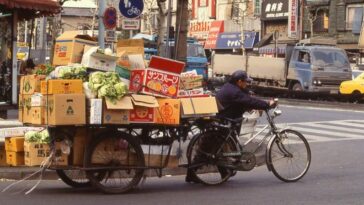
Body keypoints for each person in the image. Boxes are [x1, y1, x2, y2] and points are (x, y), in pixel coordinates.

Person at [186, 70, 276, 183]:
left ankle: (224, 172)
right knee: (212, 150)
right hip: (224, 122)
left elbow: (245, 100)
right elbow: (248, 100)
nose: (246, 84)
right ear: (239, 81)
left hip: (224, 121)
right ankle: (193, 174)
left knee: (216, 149)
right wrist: (267, 104)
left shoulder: (230, 87)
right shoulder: (234, 92)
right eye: (245, 82)